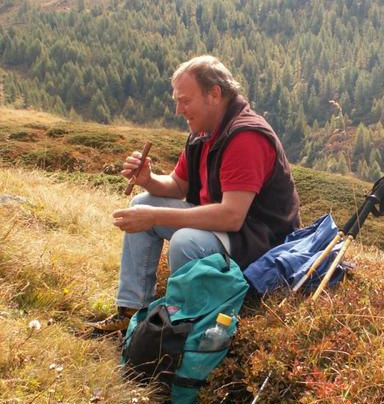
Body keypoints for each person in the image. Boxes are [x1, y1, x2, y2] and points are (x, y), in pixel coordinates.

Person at [92, 55, 300, 332]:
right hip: (227, 229)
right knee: (141, 202)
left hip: (259, 240)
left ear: (214, 94)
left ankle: (184, 327)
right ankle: (132, 309)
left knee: (186, 241)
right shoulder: (204, 132)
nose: (179, 110)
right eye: (177, 101)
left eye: (185, 101)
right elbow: (179, 186)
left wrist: (154, 217)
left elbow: (231, 216)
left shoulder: (245, 137)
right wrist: (148, 180)